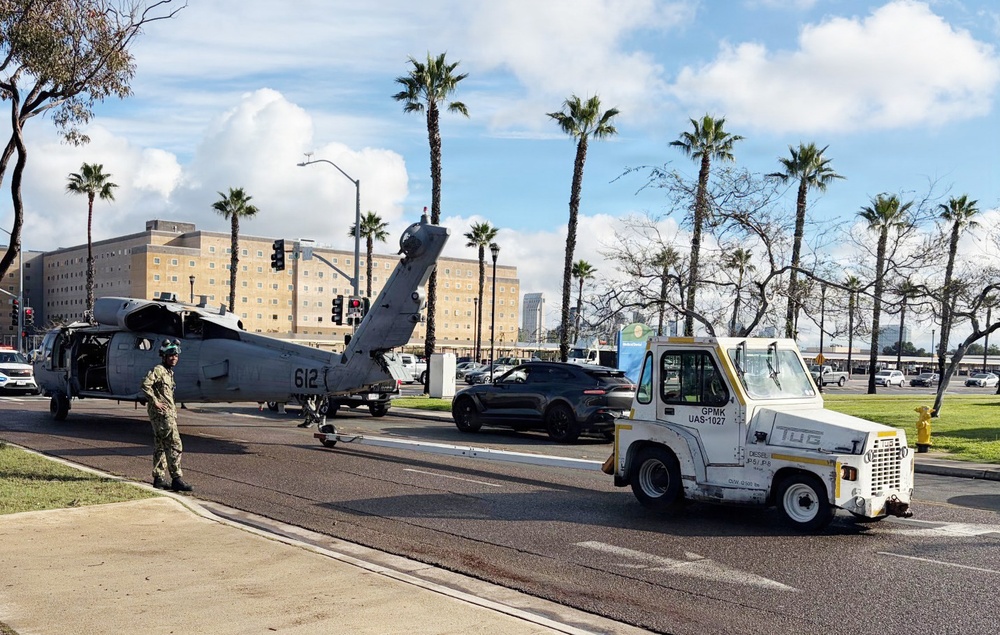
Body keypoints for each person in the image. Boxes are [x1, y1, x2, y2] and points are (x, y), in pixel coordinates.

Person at [140, 339, 193, 492]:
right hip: (162, 415)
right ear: (163, 356)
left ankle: (159, 478)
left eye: (176, 355)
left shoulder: (169, 373)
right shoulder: (159, 370)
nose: (174, 358)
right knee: (175, 445)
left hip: (165, 414)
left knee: (160, 446)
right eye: (170, 355)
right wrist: (155, 401)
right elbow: (145, 384)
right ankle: (177, 479)